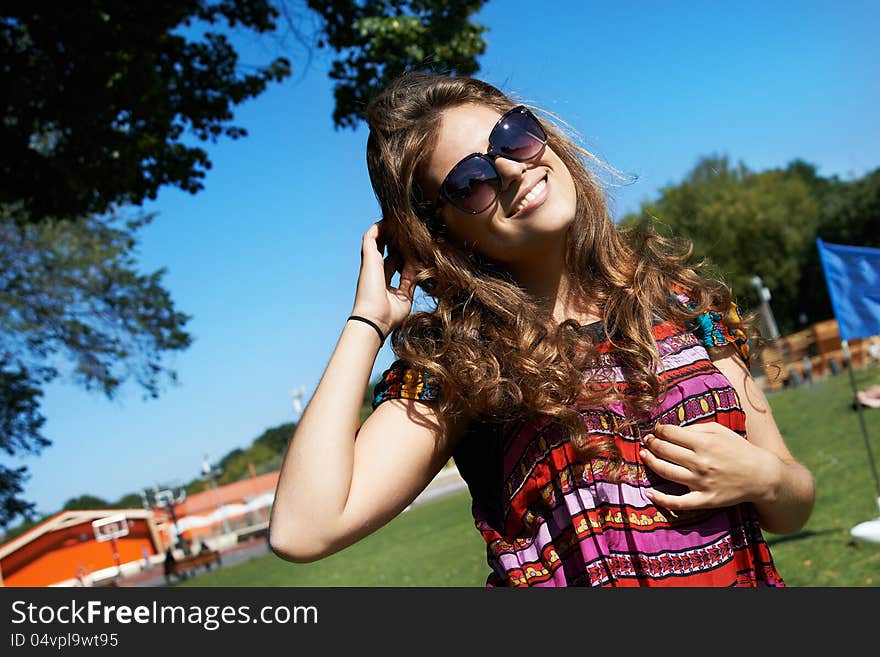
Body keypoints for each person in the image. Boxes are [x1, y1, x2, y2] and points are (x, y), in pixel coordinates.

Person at [269, 72, 815, 587]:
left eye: (514, 135)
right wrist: (368, 321)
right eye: (470, 180)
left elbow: (794, 499)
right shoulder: (469, 363)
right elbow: (303, 527)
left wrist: (765, 479)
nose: (510, 169)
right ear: (443, 232)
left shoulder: (682, 301)